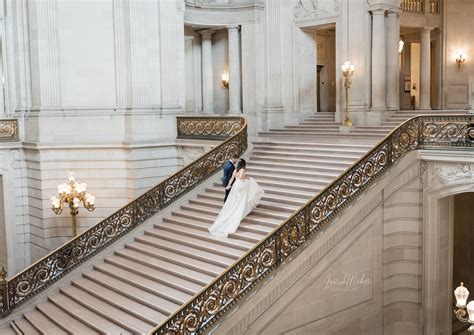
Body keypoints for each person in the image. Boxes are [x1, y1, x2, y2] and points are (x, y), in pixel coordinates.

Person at [209, 159, 264, 238]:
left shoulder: (235, 170)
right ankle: (239, 212)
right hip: (241, 185)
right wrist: (247, 178)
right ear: (244, 164)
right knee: (241, 200)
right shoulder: (242, 169)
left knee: (236, 201)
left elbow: (232, 178)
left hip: (236, 185)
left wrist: (229, 185)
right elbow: (241, 177)